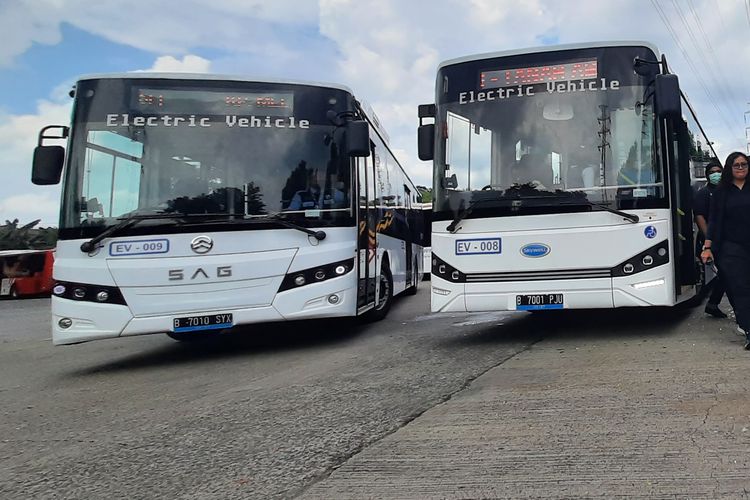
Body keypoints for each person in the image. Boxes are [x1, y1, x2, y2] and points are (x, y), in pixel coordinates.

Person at [701, 152, 750, 350]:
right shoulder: (721, 192)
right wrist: (707, 247)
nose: (740, 168)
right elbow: (714, 221)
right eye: (736, 165)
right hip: (731, 247)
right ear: (729, 168)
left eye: (744, 164)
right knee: (740, 289)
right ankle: (748, 330)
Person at [693, 159, 728, 318]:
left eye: (718, 171)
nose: (716, 175)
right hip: (712, 241)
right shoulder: (704, 193)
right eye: (712, 172)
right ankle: (713, 303)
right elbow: (700, 217)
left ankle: (712, 303)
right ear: (707, 175)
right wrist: (709, 240)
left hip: (728, 239)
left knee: (725, 273)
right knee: (726, 273)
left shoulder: (726, 191)